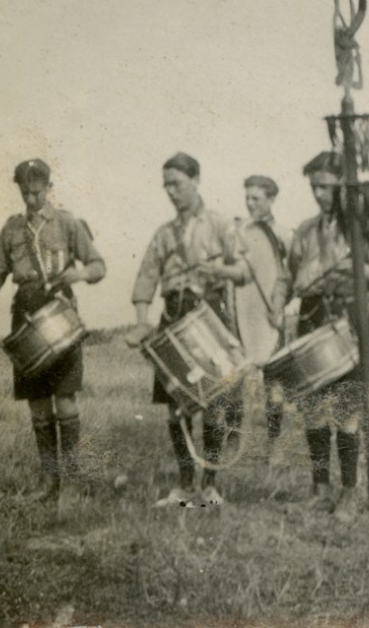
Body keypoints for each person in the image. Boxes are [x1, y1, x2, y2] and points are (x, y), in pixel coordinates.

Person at [0, 159, 106, 501]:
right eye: (26, 191)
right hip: (25, 315)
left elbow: (98, 266)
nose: (32, 198)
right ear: (19, 189)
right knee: (38, 405)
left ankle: (72, 481)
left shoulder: (67, 223)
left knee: (65, 400)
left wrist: (77, 275)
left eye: (38, 190)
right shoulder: (11, 229)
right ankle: (48, 483)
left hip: (60, 314)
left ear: (48, 186)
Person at [271, 151, 369, 521]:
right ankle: (319, 489)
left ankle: (349, 494)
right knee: (311, 409)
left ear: (343, 186)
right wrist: (276, 307)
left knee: (346, 411)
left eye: (326, 187)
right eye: (314, 188)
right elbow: (285, 276)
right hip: (311, 321)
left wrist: (358, 266)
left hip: (349, 324)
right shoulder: (307, 230)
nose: (319, 195)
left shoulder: (364, 228)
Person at [125, 152, 251, 506]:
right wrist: (141, 321)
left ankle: (210, 485)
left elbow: (242, 271)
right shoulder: (164, 234)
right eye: (166, 185)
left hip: (207, 315)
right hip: (172, 318)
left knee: (213, 404)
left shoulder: (220, 224)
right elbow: (146, 278)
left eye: (176, 183)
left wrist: (217, 272)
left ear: (196, 180)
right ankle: (184, 483)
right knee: (174, 408)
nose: (170, 191)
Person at [234, 175, 293, 450]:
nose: (249, 204)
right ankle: (233, 437)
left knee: (274, 380)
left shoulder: (284, 234)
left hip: (273, 314)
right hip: (245, 313)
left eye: (255, 198)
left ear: (271, 199)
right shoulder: (239, 233)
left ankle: (273, 439)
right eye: (247, 198)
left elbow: (291, 275)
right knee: (235, 376)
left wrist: (280, 308)